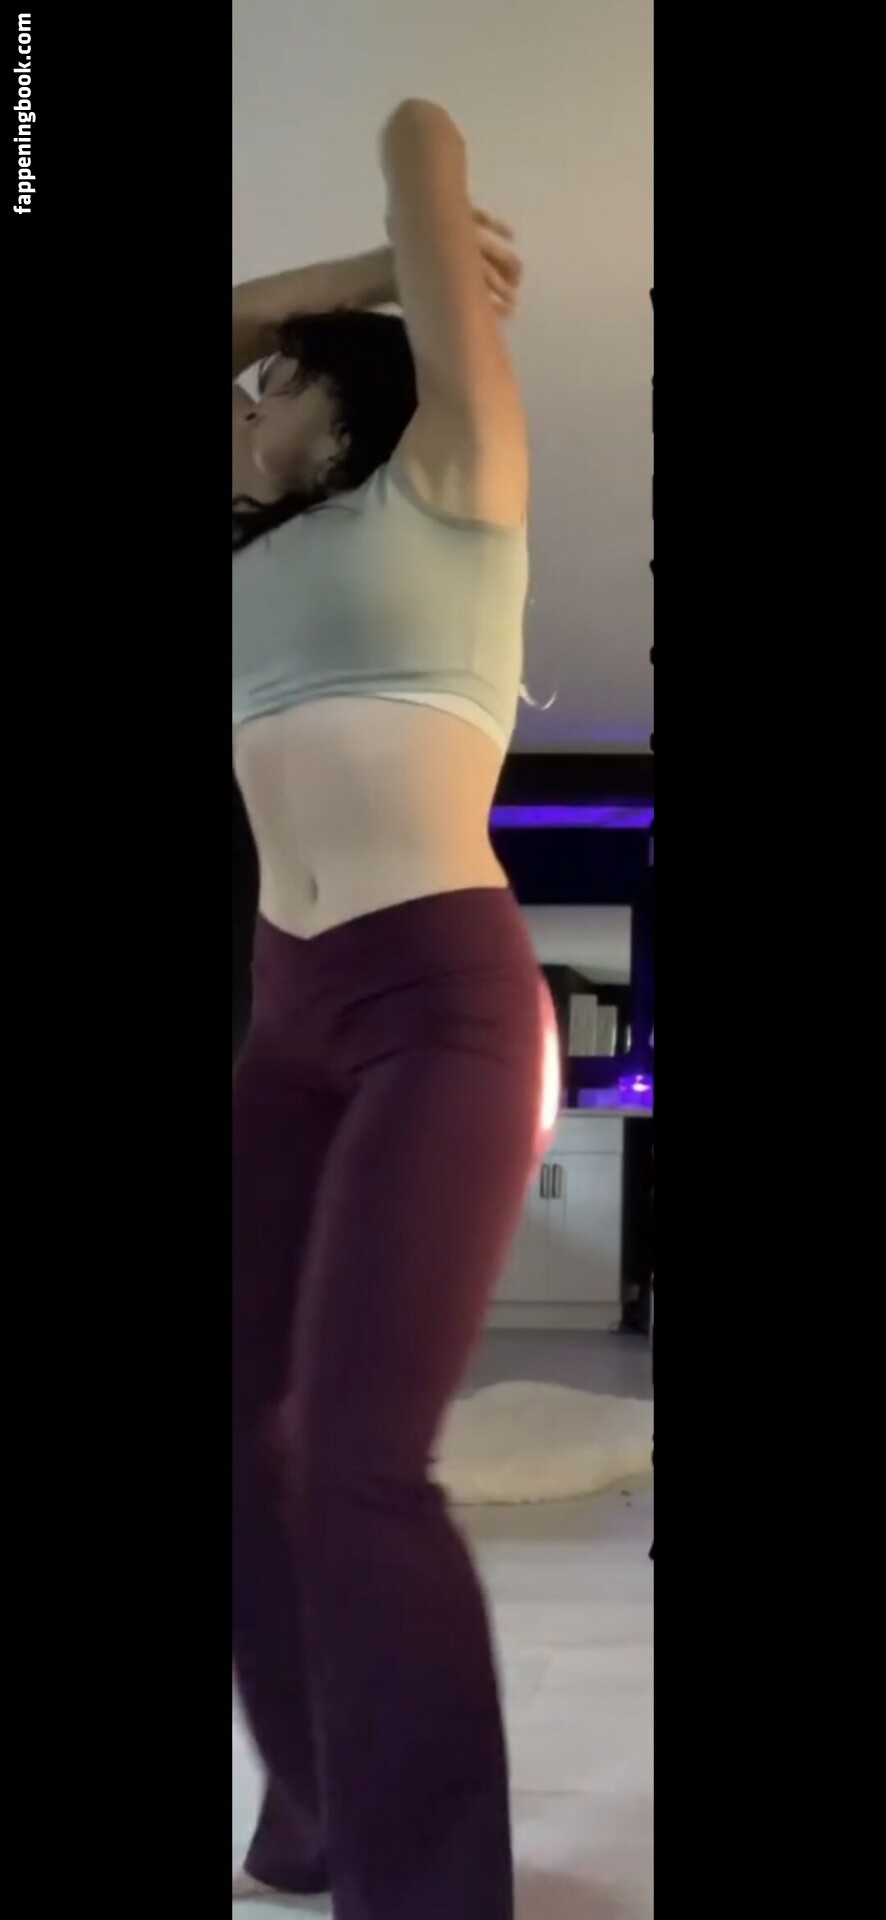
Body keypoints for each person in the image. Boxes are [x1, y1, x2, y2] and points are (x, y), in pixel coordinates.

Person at [232, 99, 556, 1920]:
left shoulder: (454, 478)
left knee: (351, 1456)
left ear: (351, 400)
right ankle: (321, 1811)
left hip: (435, 1005)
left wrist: (411, 234)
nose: (242, 402)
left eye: (267, 382)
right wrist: (344, 278)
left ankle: (429, 1893)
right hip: (285, 1020)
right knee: (240, 1431)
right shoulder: (245, 562)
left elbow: (421, 140)